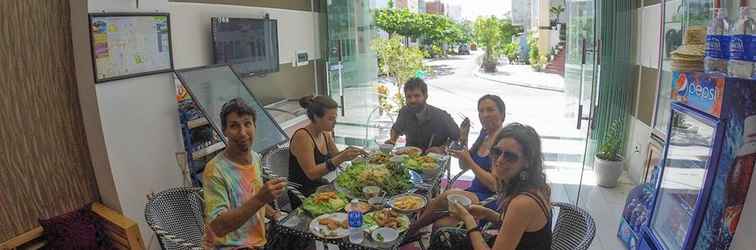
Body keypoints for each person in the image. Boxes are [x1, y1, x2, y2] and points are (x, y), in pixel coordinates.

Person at [407, 95, 506, 233]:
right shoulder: (485, 134)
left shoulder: (503, 141)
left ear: (502, 114)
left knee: (442, 201)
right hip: (474, 192)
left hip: (491, 200)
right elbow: (463, 166)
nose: (485, 115)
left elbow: (495, 185)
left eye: (490, 110)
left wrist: (470, 161)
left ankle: (411, 230)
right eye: (481, 111)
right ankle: (414, 230)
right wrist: (463, 138)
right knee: (439, 219)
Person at [446, 123, 552, 250]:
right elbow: (519, 227)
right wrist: (487, 213)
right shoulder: (534, 186)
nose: (500, 160)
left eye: (510, 156)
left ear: (527, 162)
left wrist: (469, 220)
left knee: (445, 238)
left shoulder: (522, 202)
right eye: (496, 151)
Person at [203, 98, 287, 249]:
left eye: (247, 124)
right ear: (225, 131)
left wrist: (274, 213)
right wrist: (261, 198)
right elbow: (218, 227)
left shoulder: (255, 158)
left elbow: (250, 200)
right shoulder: (215, 170)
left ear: (254, 126)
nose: (242, 133)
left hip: (259, 243)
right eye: (234, 126)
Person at [289, 95, 366, 204]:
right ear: (316, 117)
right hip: (305, 195)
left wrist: (350, 151)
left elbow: (336, 155)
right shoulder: (302, 137)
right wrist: (341, 158)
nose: (335, 122)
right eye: (330, 119)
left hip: (321, 188)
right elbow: (312, 173)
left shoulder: (325, 133)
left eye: (335, 118)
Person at [384, 78, 460, 154]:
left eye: (417, 96)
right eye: (409, 97)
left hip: (438, 162)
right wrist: (392, 140)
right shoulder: (404, 112)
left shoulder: (441, 116)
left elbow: (458, 139)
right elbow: (396, 129)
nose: (412, 100)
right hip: (410, 160)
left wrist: (443, 148)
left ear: (425, 96)